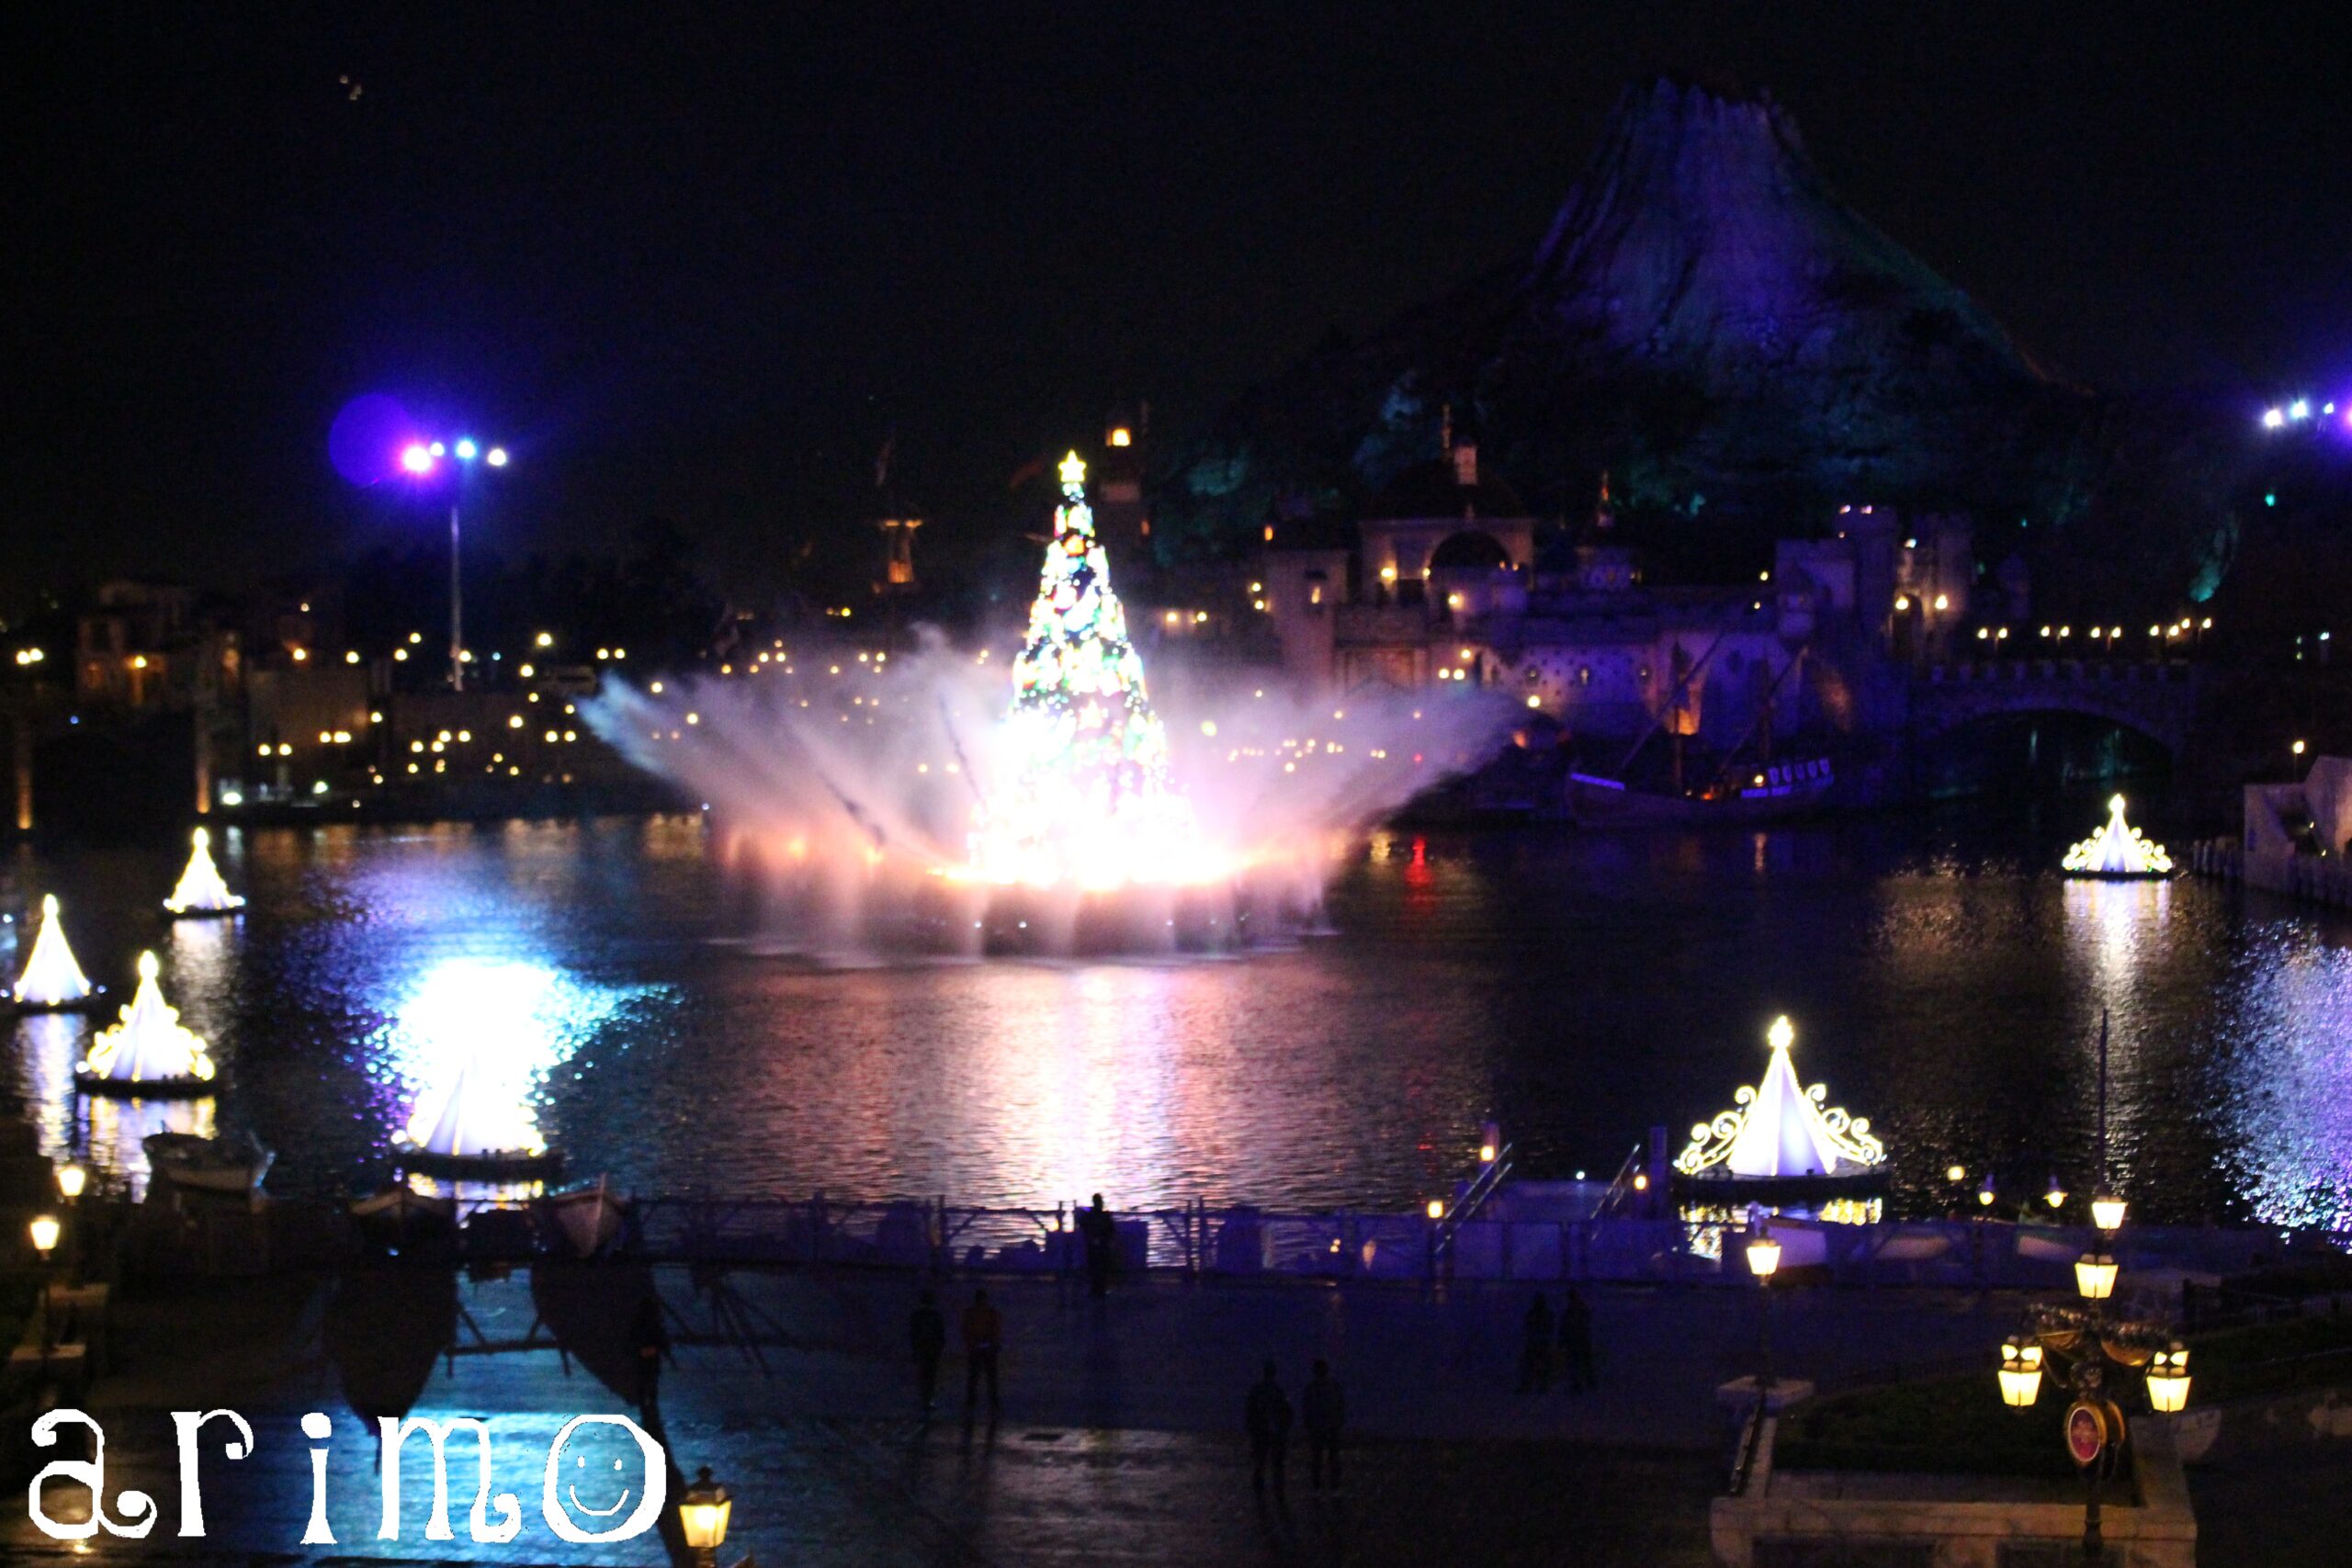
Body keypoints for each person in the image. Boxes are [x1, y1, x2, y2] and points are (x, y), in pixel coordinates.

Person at [1245, 1360, 1293, 1499]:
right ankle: (1278, 1488)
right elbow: (1287, 1412)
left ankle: (1260, 1488)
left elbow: (1250, 1412)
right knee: (1276, 1463)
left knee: (1260, 1462)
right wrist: (1285, 1429)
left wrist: (1251, 1429)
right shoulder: (1279, 1391)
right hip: (1276, 1433)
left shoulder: (1257, 1390)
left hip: (1260, 1432)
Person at [1300, 1358, 1344, 1492]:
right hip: (1329, 1427)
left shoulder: (1312, 1388)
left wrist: (1308, 1423)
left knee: (1318, 1459)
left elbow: (1306, 1408)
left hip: (1320, 1427)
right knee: (1331, 1459)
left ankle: (1319, 1488)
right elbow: (1341, 1405)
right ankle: (1333, 1487)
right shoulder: (1333, 1386)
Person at [628, 1295, 671, 1417]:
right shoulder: (654, 1322)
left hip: (643, 1358)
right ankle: (650, 1407)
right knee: (650, 1384)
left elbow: (631, 1339)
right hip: (649, 1358)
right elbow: (661, 1340)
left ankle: (646, 1407)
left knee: (645, 1383)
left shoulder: (639, 1322)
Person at [962, 1287, 1002, 1412]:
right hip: (988, 1349)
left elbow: (965, 1330)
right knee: (991, 1377)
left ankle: (971, 1401)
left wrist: (971, 1343)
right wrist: (993, 1343)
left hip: (975, 1349)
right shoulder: (991, 1313)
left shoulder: (970, 1313)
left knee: (974, 1376)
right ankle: (993, 1401)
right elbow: (996, 1330)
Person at [910, 1289, 947, 1412]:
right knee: (930, 1376)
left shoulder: (917, 1316)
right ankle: (928, 1400)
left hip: (922, 1348)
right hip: (932, 1349)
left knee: (923, 1375)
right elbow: (940, 1333)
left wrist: (915, 1348)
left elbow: (913, 1333)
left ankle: (924, 1399)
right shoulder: (935, 1316)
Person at [1558, 1286, 1596, 1393]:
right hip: (1581, 1339)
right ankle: (1588, 1382)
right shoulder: (1580, 1309)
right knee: (1583, 1362)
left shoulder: (1572, 1310)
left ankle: (1582, 1383)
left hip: (1576, 1340)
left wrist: (1562, 1340)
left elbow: (1565, 1326)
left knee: (1578, 1362)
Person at [1080, 1192, 1115, 1298]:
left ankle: (1095, 1289)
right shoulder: (1104, 1216)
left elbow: (1083, 1226)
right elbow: (1111, 1230)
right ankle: (1101, 1289)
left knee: (1094, 1268)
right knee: (1101, 1268)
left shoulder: (1089, 1216)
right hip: (1102, 1245)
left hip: (1093, 1245)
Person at [1518, 1292, 1555, 1393]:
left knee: (1537, 1364)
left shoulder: (1538, 1314)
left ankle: (1538, 1385)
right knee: (1533, 1365)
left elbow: (1549, 1327)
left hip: (1539, 1342)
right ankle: (1536, 1385)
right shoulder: (1542, 1314)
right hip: (1537, 1342)